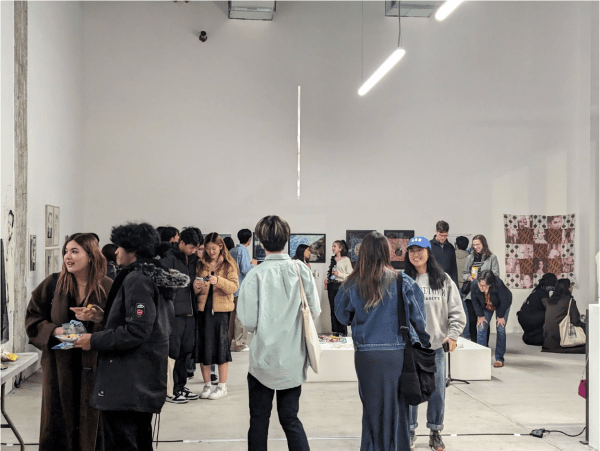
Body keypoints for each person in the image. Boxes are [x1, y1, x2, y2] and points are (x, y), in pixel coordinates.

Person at [74, 222, 188, 451]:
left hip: (128, 382)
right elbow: (146, 322)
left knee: (123, 442)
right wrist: (103, 317)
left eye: (120, 247)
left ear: (133, 250)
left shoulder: (138, 278)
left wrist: (92, 340)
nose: (115, 251)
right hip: (142, 378)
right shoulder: (153, 275)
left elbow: (137, 330)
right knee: (139, 439)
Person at [334, 232, 429, 451]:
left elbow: (342, 316)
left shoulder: (352, 282)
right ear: (386, 252)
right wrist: (423, 341)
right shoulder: (401, 280)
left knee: (372, 409)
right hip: (397, 353)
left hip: (366, 355)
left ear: (363, 252)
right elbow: (419, 319)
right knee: (398, 408)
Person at [238, 215, 320, 451]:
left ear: (261, 242)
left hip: (263, 359)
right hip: (293, 358)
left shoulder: (255, 274)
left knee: (259, 421)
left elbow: (249, 321)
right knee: (290, 418)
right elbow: (313, 311)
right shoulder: (301, 269)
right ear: (287, 240)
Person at [26, 233, 112, 451]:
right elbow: (33, 317)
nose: (68, 257)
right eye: (66, 251)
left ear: (91, 256)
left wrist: (98, 318)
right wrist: (54, 330)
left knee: (93, 419)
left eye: (75, 251)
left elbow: (119, 326)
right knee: (57, 417)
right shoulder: (53, 284)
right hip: (59, 364)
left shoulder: (108, 287)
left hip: (95, 366)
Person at [404, 236, 466, 451]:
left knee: (437, 391)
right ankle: (410, 430)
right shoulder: (404, 280)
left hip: (437, 347)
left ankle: (435, 431)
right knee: (411, 391)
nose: (415, 254)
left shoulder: (443, 280)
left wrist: (453, 335)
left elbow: (457, 311)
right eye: (411, 250)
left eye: (420, 250)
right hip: (411, 347)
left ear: (429, 253)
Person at [193, 232, 239, 400]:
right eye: (207, 248)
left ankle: (222, 386)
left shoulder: (229, 264)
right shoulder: (200, 263)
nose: (211, 252)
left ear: (221, 247)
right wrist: (196, 286)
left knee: (221, 348)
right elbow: (196, 290)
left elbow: (234, 287)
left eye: (214, 248)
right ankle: (207, 385)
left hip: (221, 311)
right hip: (203, 309)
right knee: (203, 347)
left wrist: (218, 280)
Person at [161, 227, 202, 404]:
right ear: (181, 243)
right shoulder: (168, 259)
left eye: (196, 248)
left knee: (186, 351)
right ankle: (170, 390)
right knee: (173, 352)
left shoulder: (193, 260)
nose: (194, 251)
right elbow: (164, 286)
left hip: (190, 313)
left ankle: (180, 386)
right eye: (191, 247)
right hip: (174, 314)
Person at [462, 234, 499, 342]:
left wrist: (484, 279)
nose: (476, 247)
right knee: (473, 320)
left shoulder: (492, 257)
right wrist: (468, 277)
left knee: (484, 320)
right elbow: (464, 274)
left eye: (478, 244)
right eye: (474, 245)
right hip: (471, 294)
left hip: (486, 293)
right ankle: (474, 344)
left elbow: (496, 275)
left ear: (483, 244)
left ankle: (484, 346)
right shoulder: (470, 257)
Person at [471, 270, 512, 367]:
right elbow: (475, 301)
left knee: (500, 328)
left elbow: (506, 301)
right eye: (480, 285)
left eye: (484, 286)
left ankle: (499, 359)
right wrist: (480, 316)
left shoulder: (498, 284)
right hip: (486, 305)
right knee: (481, 327)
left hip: (501, 305)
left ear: (490, 284)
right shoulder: (474, 284)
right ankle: (481, 357)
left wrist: (501, 316)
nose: (481, 287)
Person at [229, 228, 257, 352]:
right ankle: (239, 343)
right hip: (241, 288)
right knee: (241, 316)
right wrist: (254, 265)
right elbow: (246, 269)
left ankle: (230, 341)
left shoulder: (232, 250)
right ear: (249, 240)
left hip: (232, 288)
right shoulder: (243, 250)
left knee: (232, 316)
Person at [542, 278, 586, 354]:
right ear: (567, 288)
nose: (572, 288)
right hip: (561, 337)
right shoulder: (569, 300)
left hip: (548, 340)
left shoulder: (550, 300)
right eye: (570, 286)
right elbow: (575, 321)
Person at [517, 273, 557, 346]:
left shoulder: (538, 289)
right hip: (529, 318)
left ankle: (530, 336)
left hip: (523, 316)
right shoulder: (543, 292)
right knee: (549, 314)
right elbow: (548, 307)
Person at [325, 240, 352, 336]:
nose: (332, 248)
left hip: (341, 286)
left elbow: (350, 275)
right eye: (332, 246)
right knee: (332, 308)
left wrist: (339, 274)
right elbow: (331, 271)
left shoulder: (346, 260)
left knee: (340, 308)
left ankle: (343, 331)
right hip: (331, 285)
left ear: (340, 248)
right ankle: (335, 331)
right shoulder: (333, 259)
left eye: (334, 246)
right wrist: (327, 280)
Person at [430, 220, 458, 286]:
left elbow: (454, 267)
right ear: (436, 231)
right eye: (441, 235)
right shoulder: (428, 246)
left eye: (445, 235)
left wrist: (455, 283)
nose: (443, 238)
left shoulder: (450, 247)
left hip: (447, 282)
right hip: (433, 281)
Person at [455, 236, 470, 338]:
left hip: (454, 286)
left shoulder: (451, 255)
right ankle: (466, 333)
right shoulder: (470, 257)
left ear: (456, 245)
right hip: (466, 287)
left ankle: (454, 333)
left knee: (452, 311)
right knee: (466, 311)